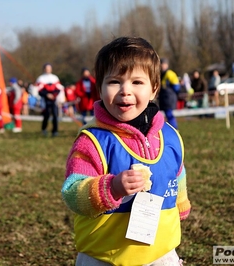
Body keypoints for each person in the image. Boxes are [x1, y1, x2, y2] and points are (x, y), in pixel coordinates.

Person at [61, 37, 191, 266]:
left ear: (154, 89)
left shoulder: (170, 136)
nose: (125, 91)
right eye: (114, 81)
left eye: (137, 82)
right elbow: (72, 193)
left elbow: (177, 171)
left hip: (161, 253)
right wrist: (110, 187)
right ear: (99, 88)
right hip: (105, 256)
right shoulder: (92, 141)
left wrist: (181, 201)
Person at [36, 63, 63, 137]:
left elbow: (58, 88)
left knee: (55, 115)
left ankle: (55, 131)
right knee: (46, 115)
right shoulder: (41, 78)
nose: (48, 70)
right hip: (45, 100)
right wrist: (47, 95)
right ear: (44, 69)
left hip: (54, 100)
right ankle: (44, 129)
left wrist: (54, 95)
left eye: (49, 68)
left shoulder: (55, 78)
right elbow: (39, 90)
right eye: (46, 68)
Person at [158, 58, 180, 129]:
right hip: (163, 97)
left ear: (167, 65)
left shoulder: (170, 74)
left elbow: (176, 87)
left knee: (169, 114)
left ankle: (175, 129)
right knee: (165, 115)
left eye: (163, 64)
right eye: (161, 64)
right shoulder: (160, 74)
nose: (162, 66)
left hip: (169, 97)